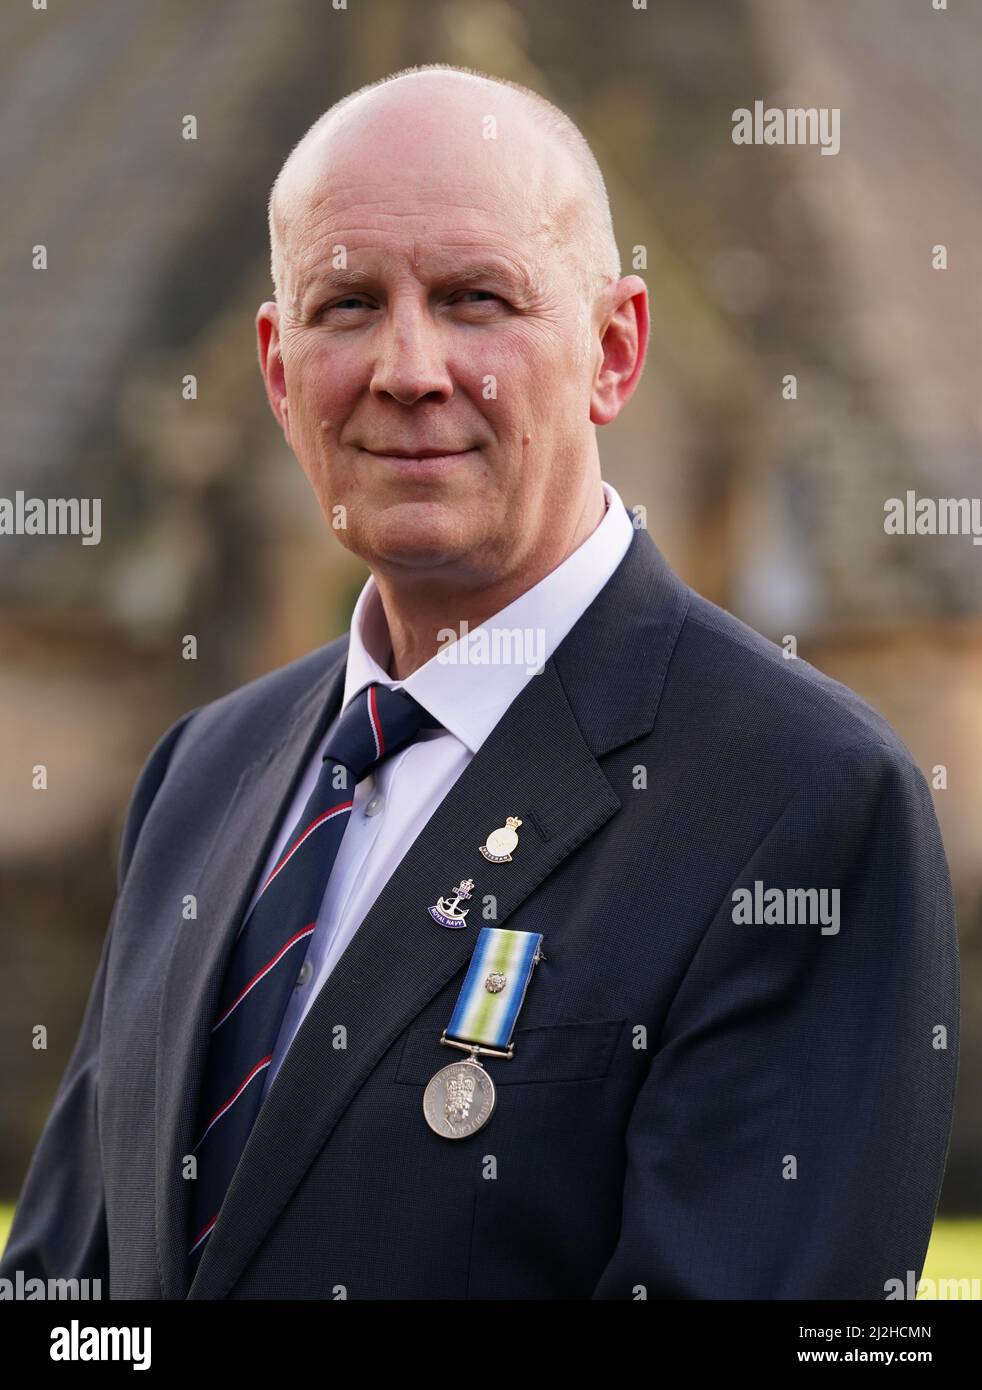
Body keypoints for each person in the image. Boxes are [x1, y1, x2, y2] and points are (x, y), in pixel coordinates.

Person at [1, 64, 958, 1300]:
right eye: (346, 303)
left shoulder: (802, 802)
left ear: (614, 350)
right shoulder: (203, 773)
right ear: (279, 369)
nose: (408, 367)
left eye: (474, 298)